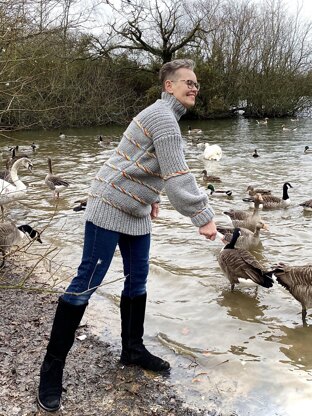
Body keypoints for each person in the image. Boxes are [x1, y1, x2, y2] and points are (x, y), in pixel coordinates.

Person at [37, 58, 217, 412]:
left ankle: (132, 349)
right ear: (169, 86)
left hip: (134, 210)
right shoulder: (164, 119)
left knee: (137, 282)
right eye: (187, 82)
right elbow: (178, 177)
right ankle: (50, 372)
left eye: (196, 83)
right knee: (85, 283)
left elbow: (134, 160)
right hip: (109, 206)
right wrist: (203, 216)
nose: (194, 87)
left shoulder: (162, 117)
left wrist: (148, 198)